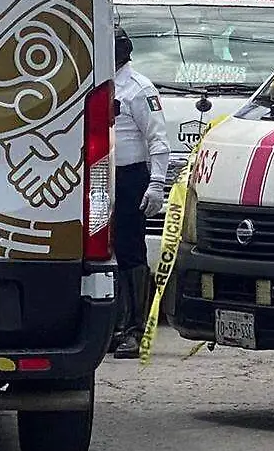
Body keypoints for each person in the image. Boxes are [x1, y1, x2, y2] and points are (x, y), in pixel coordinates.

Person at [110, 26, 170, 360]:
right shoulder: (97, 83)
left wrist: (156, 184)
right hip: (100, 177)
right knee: (105, 255)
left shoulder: (138, 89)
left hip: (131, 176)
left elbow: (158, 140)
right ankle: (112, 327)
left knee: (131, 253)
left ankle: (134, 329)